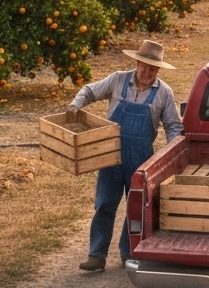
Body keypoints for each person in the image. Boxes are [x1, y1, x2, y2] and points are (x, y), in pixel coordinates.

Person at [66, 39, 183, 271]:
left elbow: (174, 126)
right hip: (110, 154)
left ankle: (128, 252)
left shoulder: (164, 93)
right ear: (137, 63)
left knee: (136, 207)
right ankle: (96, 255)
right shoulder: (118, 79)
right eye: (143, 66)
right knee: (105, 204)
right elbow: (89, 90)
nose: (147, 72)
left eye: (152, 68)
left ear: (158, 70)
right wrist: (75, 105)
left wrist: (172, 153)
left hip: (140, 158)